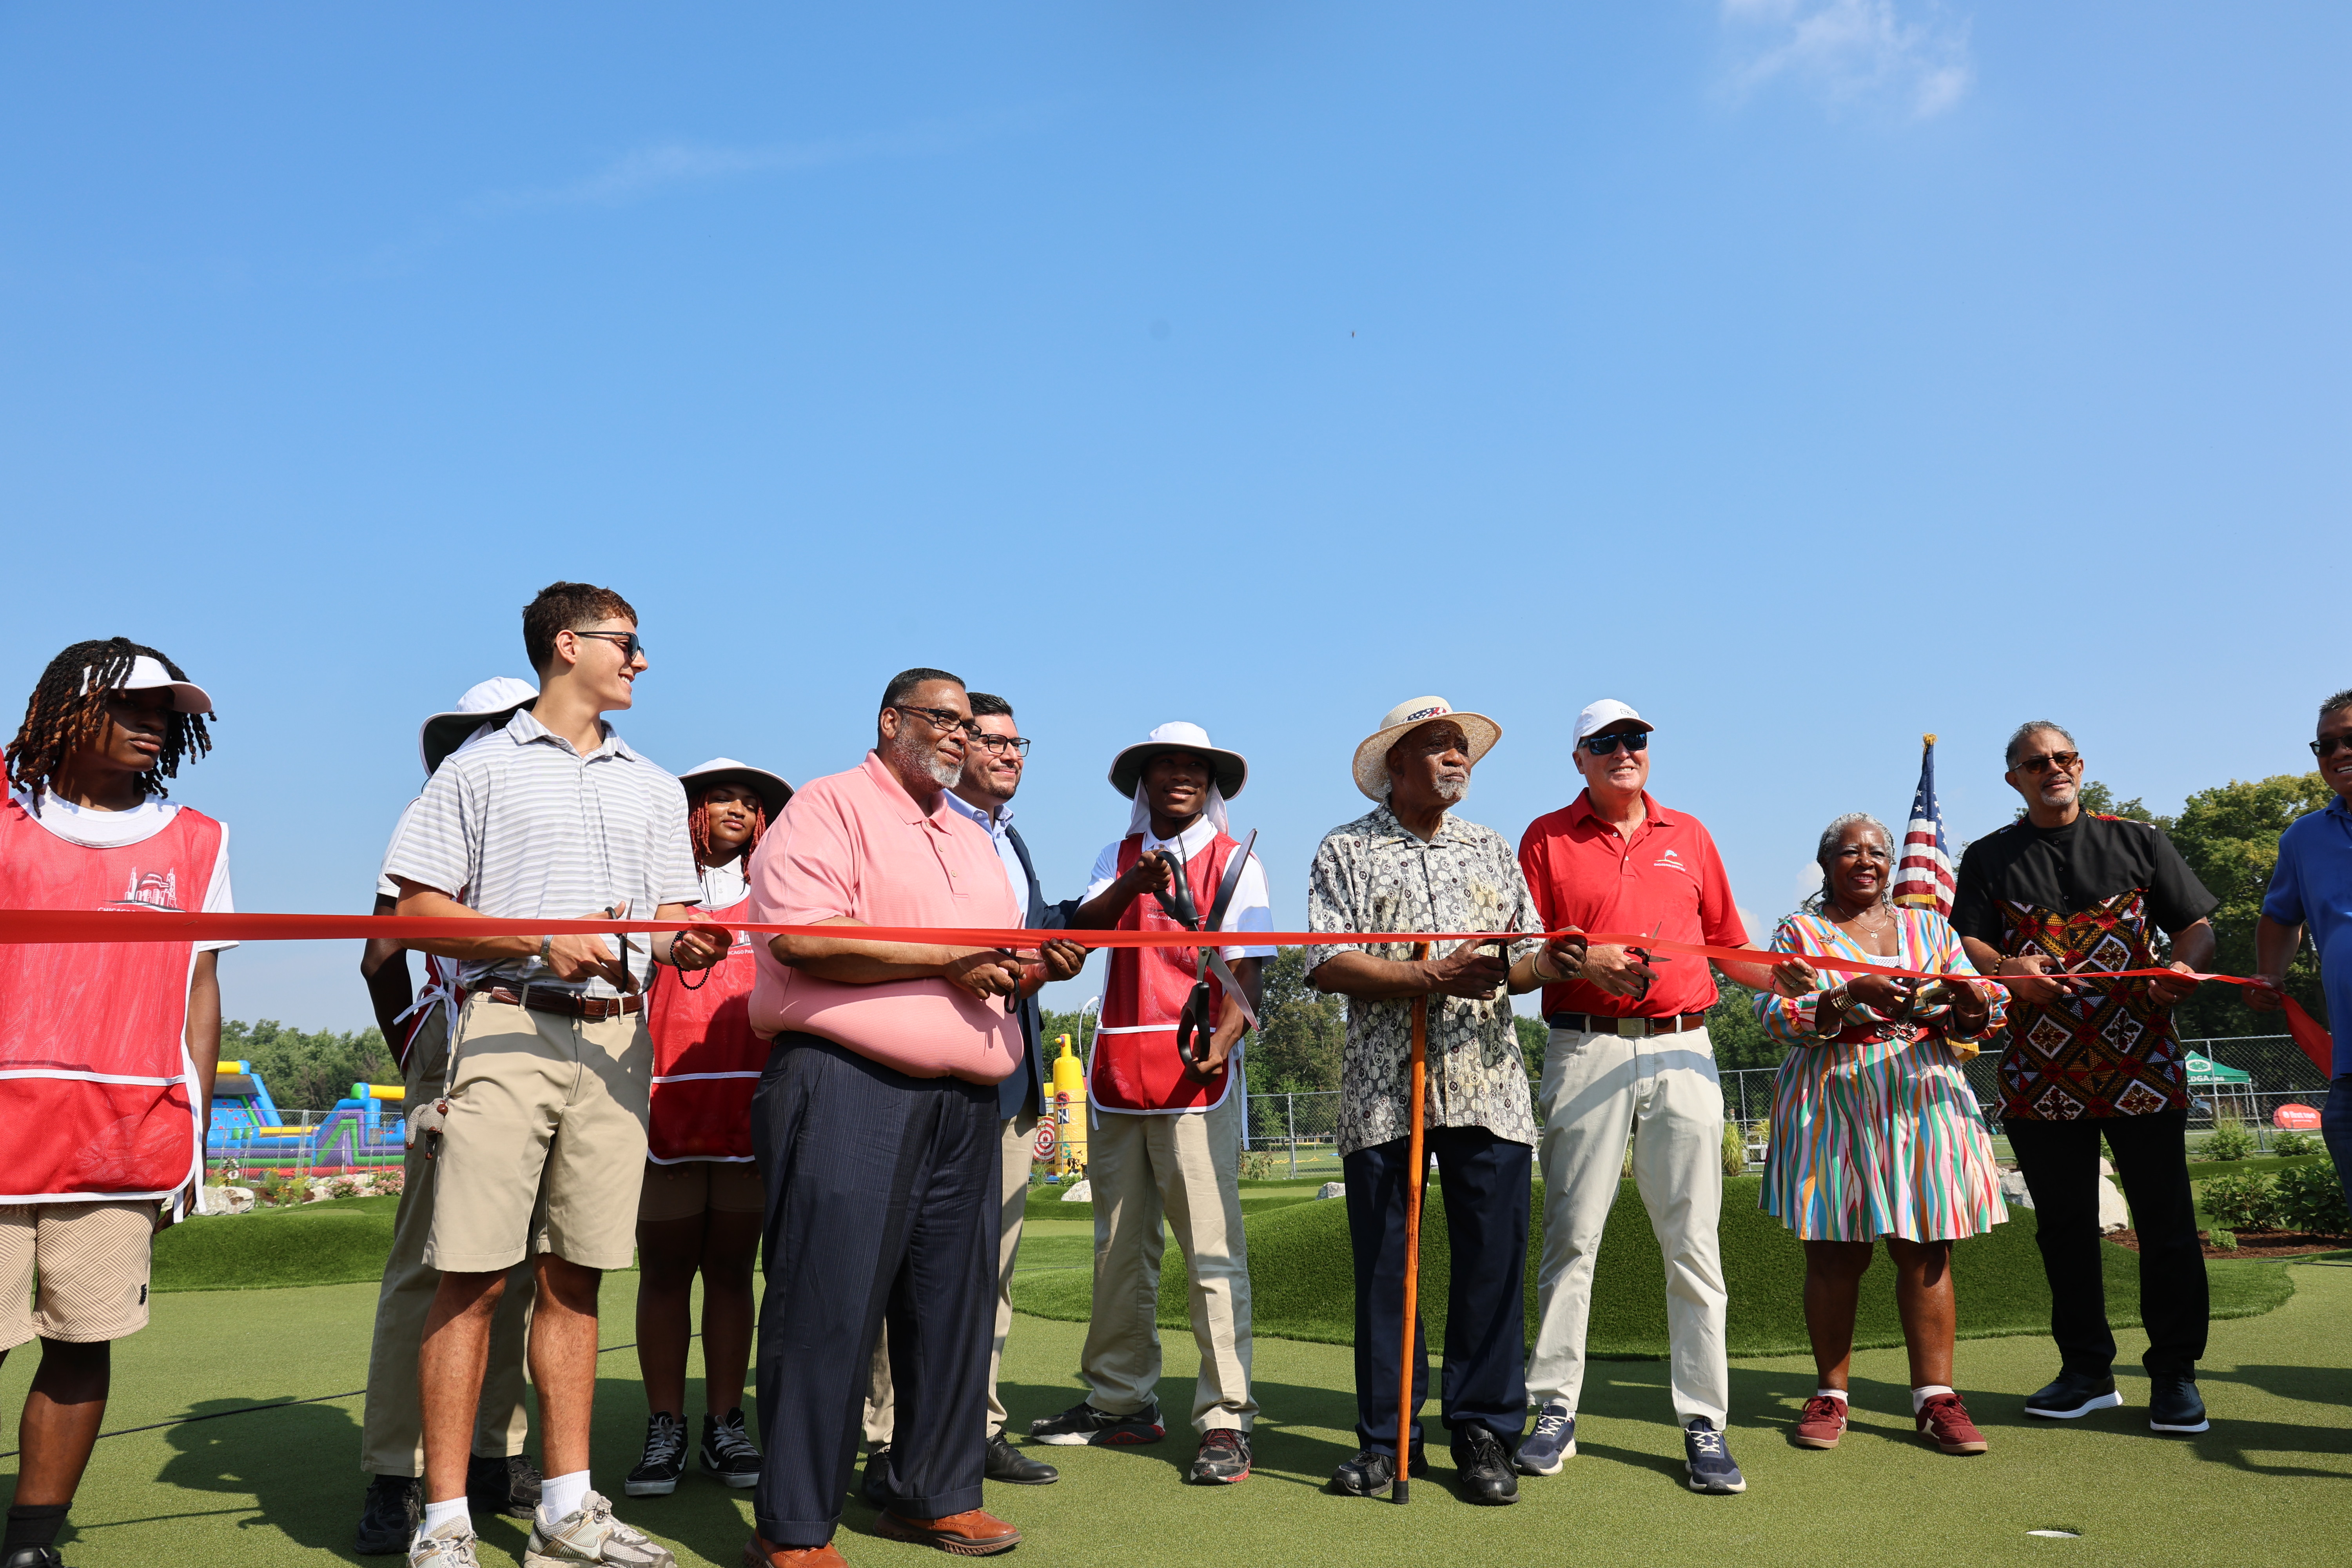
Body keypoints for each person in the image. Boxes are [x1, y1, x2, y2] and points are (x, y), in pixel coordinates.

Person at [386, 583, 730, 1568]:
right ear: (567, 645)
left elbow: (666, 921)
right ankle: (445, 1519)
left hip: (621, 1043)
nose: (643, 661)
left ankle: (567, 1513)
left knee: (577, 1274)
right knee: (470, 1278)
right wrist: (541, 938)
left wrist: (689, 939)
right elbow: (416, 911)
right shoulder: (478, 768)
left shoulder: (658, 786)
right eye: (629, 643)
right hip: (505, 1030)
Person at [743, 668, 1085, 1568]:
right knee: (827, 1304)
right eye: (943, 719)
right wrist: (946, 964)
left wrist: (1032, 965)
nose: (961, 737)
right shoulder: (828, 805)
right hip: (850, 1082)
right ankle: (794, 1525)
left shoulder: (971, 838)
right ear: (891, 720)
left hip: (967, 1097)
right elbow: (803, 938)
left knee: (953, 1307)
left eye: (970, 726)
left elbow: (989, 961)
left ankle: (932, 1490)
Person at [1304, 697, 1586, 1507]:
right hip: (1384, 1092)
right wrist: (1427, 975)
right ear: (1395, 765)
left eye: (1462, 746)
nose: (1456, 757)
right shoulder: (1345, 847)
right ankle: (1388, 1437)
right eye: (1437, 746)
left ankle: (1482, 1430)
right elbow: (1325, 961)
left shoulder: (1493, 848)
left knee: (1490, 1266)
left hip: (1488, 1084)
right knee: (1390, 1269)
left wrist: (1557, 962)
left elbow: (1521, 963)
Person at [0, 639, 230, 1568]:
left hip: (125, 1133)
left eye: (167, 711)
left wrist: (195, 1131)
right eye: (133, 705)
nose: (155, 723)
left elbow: (200, 987)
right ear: (64, 710)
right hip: (3, 1127)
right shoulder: (7, 817)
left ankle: (31, 1544)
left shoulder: (199, 837)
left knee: (81, 1336)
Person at [1513, 699, 1778, 1494]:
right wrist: (1584, 960)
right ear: (1580, 759)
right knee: (1571, 1238)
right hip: (1586, 1044)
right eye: (1606, 742)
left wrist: (1785, 980)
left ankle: (1705, 1420)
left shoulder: (1689, 834)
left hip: (1683, 1043)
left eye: (1635, 739)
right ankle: (1554, 1408)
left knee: (1694, 1244)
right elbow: (1523, 950)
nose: (1624, 751)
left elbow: (1731, 946)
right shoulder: (1545, 835)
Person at [1952, 720, 2218, 1436]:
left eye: (2063, 758)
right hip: (2042, 1074)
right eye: (2036, 763)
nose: (2052, 770)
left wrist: (2180, 967)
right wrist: (2008, 969)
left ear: (2081, 766)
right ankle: (2087, 1371)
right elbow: (1969, 938)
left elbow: (2195, 926)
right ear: (2014, 779)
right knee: (2065, 1230)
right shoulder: (1987, 857)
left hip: (2145, 1066)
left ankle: (2175, 1376)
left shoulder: (2139, 840)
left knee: (2166, 1226)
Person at [1028, 722, 1274, 1485]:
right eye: (1163, 765)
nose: (1178, 776)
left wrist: (1225, 1038)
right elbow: (1085, 935)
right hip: (1116, 1072)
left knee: (1211, 1250)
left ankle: (1226, 1415)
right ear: (1143, 779)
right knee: (1117, 1247)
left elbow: (1251, 975)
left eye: (1193, 767)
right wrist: (1135, 886)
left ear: (1212, 782)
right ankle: (1120, 1399)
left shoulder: (1240, 863)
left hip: (1195, 1074)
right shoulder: (1118, 858)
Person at [355, 678, 543, 1555]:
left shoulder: (547, 817)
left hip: (547, 1042)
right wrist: (417, 1048)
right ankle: (396, 1469)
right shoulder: (439, 810)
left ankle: (491, 1454)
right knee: (433, 1264)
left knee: (520, 1265)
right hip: (461, 1034)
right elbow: (381, 953)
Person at [1754, 814, 2008, 1457]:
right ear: (1826, 865)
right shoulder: (1800, 933)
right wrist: (1845, 998)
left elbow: (1984, 1003)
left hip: (1922, 1092)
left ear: (1892, 865)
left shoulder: (1929, 928)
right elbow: (1776, 1014)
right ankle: (1831, 1395)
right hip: (1832, 1096)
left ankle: (1935, 1400)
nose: (1864, 861)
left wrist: (1977, 1007)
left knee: (1925, 1249)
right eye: (1849, 852)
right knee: (1836, 1252)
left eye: (1876, 852)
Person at [862, 693, 1064, 1495]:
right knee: (901, 1269)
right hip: (920, 1077)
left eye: (1021, 744)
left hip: (1006, 1075)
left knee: (992, 1269)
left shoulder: (1008, 839)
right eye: (994, 740)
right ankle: (886, 1434)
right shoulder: (919, 829)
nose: (1011, 755)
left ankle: (974, 1427)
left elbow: (1042, 930)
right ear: (957, 746)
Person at [626, 759, 794, 1500]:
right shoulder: (655, 892)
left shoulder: (779, 895)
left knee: (731, 1270)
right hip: (666, 1100)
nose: (739, 809)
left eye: (752, 802)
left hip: (748, 1103)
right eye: (722, 797)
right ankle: (666, 1425)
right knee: (665, 1270)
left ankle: (727, 1423)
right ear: (688, 811)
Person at [2252, 688, 2352, 1220]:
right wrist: (2270, 975)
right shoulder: (2304, 838)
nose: (2339, 753)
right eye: (2326, 745)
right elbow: (2279, 917)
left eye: (2351, 739)